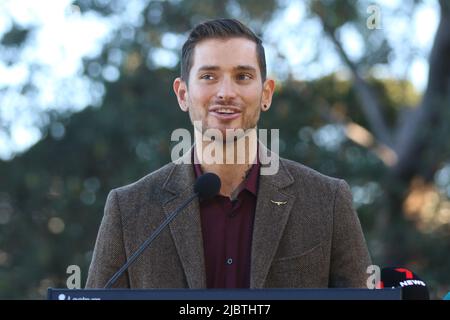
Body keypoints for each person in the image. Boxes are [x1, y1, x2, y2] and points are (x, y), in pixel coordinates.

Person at [86, 18, 371, 289]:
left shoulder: (328, 201)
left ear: (266, 93)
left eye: (243, 76)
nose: (225, 92)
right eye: (209, 76)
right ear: (182, 94)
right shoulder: (128, 209)